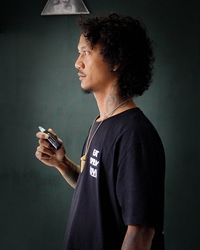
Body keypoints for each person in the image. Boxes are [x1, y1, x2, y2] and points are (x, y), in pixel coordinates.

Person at [35, 13, 165, 250]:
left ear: (116, 60)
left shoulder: (135, 135)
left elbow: (141, 233)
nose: (77, 62)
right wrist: (61, 164)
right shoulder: (102, 122)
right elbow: (98, 192)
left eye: (86, 52)